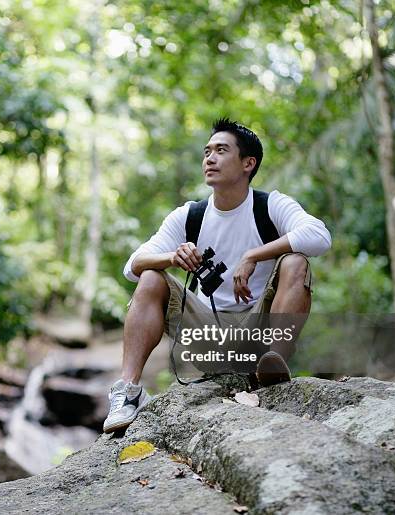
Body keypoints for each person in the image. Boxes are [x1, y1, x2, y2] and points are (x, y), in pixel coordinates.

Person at [103, 117, 332, 434]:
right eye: (206, 151)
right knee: (151, 276)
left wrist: (255, 254)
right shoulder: (190, 215)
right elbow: (132, 265)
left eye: (221, 150)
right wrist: (172, 257)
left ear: (248, 163)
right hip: (206, 333)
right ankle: (127, 392)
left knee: (295, 261)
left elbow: (319, 236)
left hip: (259, 333)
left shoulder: (271, 206)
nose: (209, 158)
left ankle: (273, 367)